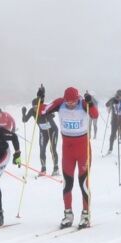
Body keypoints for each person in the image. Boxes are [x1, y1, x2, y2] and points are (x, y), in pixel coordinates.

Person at [42, 87, 99, 228]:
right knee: (67, 183)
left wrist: (90, 103)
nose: (71, 104)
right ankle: (68, 214)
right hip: (67, 151)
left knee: (83, 183)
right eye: (68, 102)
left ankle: (86, 215)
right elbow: (42, 110)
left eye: (73, 102)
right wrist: (40, 98)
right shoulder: (60, 103)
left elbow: (95, 115)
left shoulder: (83, 103)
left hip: (83, 151)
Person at [21, 85, 59, 176]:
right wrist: (23, 112)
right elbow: (24, 120)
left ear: (40, 105)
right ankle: (43, 169)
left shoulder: (44, 107)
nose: (35, 108)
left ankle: (56, 168)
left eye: (36, 106)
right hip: (43, 132)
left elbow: (52, 112)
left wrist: (49, 114)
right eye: (34, 107)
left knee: (52, 149)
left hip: (53, 130)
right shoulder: (32, 111)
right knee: (42, 150)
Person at [105, 89, 121, 158]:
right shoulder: (113, 98)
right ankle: (110, 149)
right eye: (118, 95)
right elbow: (106, 104)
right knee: (112, 134)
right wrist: (112, 101)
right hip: (114, 119)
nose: (119, 97)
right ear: (116, 94)